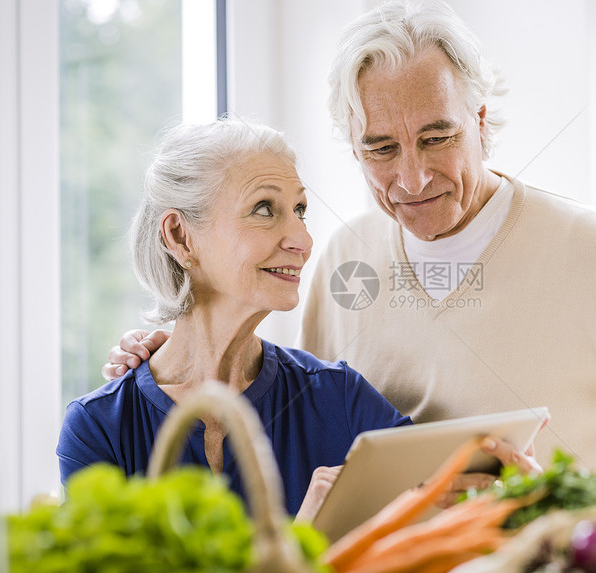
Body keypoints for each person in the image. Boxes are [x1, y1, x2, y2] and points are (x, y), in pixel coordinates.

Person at [103, 1, 596, 554]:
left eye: (437, 137)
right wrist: (166, 359)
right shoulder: (344, 259)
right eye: (381, 149)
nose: (411, 179)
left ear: (480, 121)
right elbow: (291, 411)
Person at [56, 119, 415, 520]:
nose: (303, 240)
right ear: (179, 236)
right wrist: (302, 544)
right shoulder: (99, 427)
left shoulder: (339, 398)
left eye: (299, 210)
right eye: (265, 209)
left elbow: (451, 495)